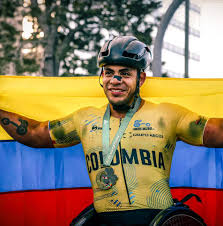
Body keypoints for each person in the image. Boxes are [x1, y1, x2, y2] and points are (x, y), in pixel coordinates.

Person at [0, 35, 222, 225]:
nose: (115, 80)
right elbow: (35, 133)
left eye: (125, 73)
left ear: (141, 78)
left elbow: (216, 132)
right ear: (102, 76)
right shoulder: (84, 119)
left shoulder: (167, 115)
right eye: (109, 72)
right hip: (103, 220)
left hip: (157, 219)